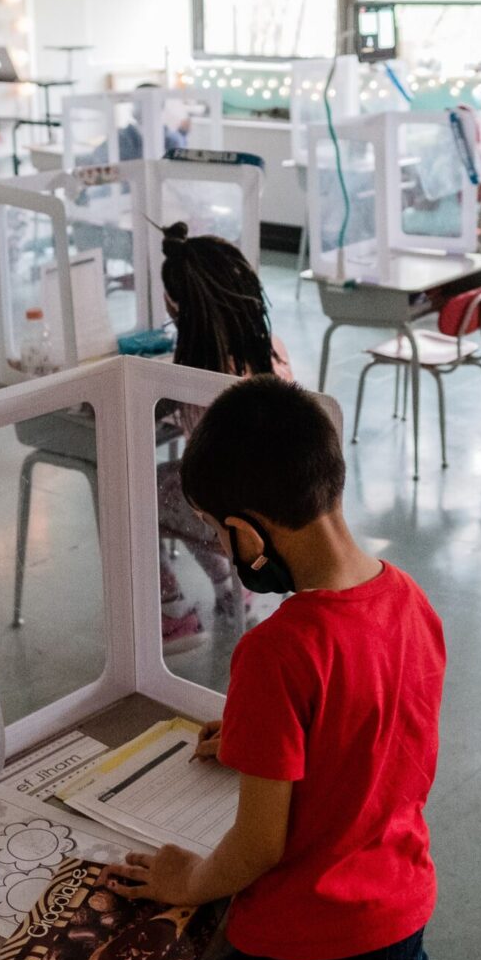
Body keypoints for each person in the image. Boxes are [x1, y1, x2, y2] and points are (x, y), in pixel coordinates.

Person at [108, 376, 445, 960]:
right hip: (398, 916)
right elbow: (371, 737)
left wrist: (190, 878)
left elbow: (259, 846)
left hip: (309, 949)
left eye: (216, 531)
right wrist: (254, 738)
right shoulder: (410, 600)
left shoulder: (276, 651)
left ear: (250, 535)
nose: (218, 544)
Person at [155, 222, 292, 653]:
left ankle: (172, 611)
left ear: (174, 303)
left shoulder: (194, 377)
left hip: (238, 513)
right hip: (284, 498)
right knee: (183, 481)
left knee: (134, 491)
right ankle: (234, 590)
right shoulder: (268, 346)